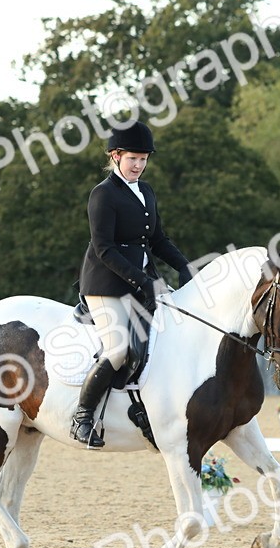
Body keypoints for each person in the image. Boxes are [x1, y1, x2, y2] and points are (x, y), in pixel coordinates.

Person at [71, 121, 193, 448]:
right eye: (132, 159)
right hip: (105, 284)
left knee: (165, 342)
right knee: (118, 348)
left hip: (141, 283)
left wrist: (183, 266)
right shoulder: (103, 194)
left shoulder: (147, 191)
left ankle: (147, 412)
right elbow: (104, 249)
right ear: (116, 156)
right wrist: (145, 282)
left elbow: (157, 239)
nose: (138, 165)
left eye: (143, 159)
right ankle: (83, 417)